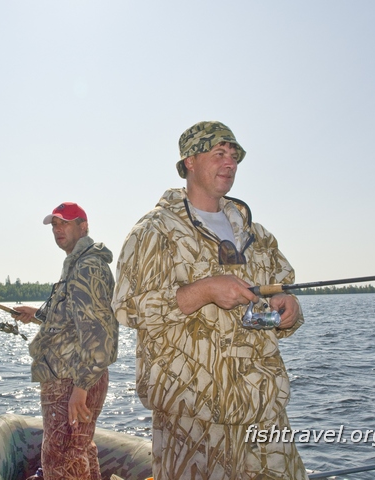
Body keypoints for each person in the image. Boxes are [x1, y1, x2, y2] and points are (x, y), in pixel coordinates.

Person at [111, 121, 307, 480]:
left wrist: (289, 308)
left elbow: (283, 293)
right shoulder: (154, 231)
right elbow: (129, 308)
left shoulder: (257, 235)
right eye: (219, 154)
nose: (229, 163)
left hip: (262, 409)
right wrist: (203, 291)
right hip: (192, 417)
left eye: (234, 157)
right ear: (190, 161)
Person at [13, 202, 119, 480]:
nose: (58, 229)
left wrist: (81, 388)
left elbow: (98, 331)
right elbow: (71, 320)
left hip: (72, 380)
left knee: (61, 459)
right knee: (78, 450)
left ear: (83, 227)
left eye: (65, 223)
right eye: (55, 225)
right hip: (71, 378)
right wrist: (36, 315)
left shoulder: (88, 268)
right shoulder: (77, 265)